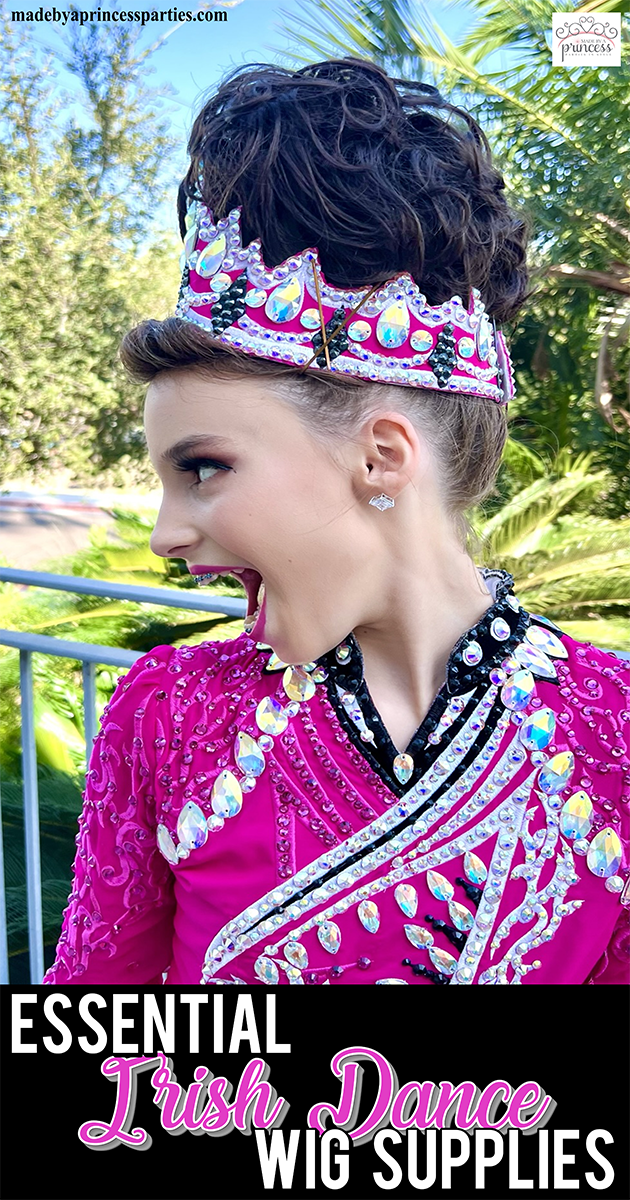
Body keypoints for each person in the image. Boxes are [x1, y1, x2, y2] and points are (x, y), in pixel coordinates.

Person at [44, 59, 629, 987]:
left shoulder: (616, 731)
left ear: (379, 458)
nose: (163, 535)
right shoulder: (169, 717)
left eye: (203, 468)